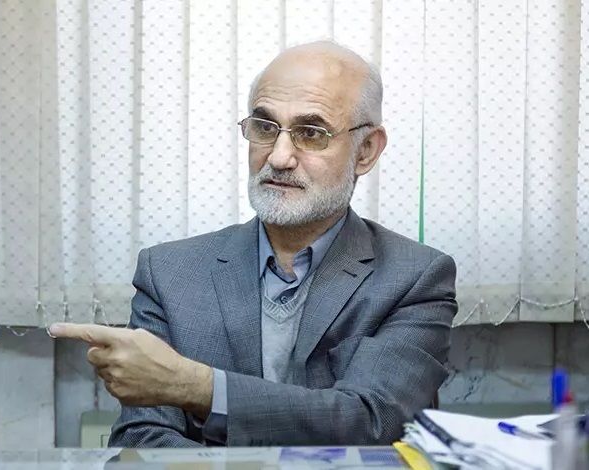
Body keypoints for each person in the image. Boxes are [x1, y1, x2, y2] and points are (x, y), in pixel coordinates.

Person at [49, 40, 457, 447]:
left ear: (366, 151)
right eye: (265, 127)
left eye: (311, 133)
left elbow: (370, 421)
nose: (278, 157)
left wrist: (196, 386)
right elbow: (142, 438)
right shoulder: (169, 273)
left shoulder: (414, 277)